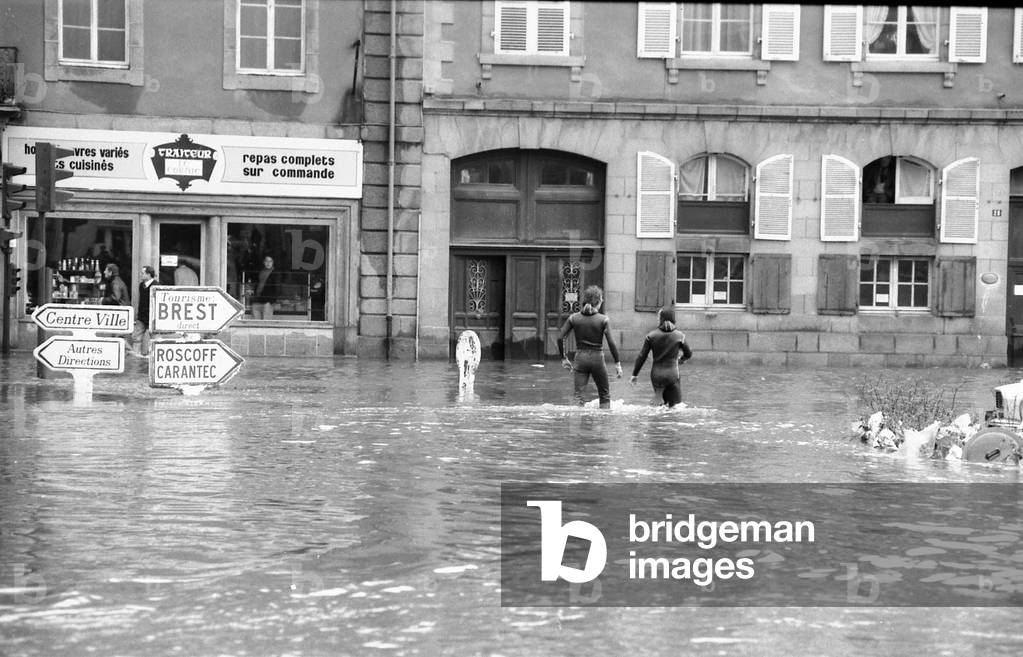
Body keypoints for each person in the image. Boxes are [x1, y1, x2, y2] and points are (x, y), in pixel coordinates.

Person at [556, 285, 623, 409]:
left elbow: (560, 338)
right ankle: (604, 425)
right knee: (604, 395)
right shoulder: (603, 320)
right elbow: (612, 343)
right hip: (597, 359)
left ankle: (577, 427)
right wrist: (617, 364)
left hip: (580, 359)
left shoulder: (573, 318)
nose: (602, 301)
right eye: (601, 299)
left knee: (578, 397)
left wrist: (564, 358)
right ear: (598, 302)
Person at [630, 307, 693, 408]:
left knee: (660, 407)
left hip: (656, 376)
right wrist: (682, 359)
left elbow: (642, 356)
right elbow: (689, 353)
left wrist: (635, 374)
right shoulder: (680, 336)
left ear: (663, 318)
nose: (657, 319)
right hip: (672, 375)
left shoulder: (651, 336)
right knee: (675, 407)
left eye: (659, 317)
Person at [129, 266, 156, 356]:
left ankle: (152, 357)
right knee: (136, 337)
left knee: (154, 338)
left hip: (152, 316)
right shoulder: (141, 285)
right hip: (142, 316)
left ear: (148, 274)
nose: (141, 274)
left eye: (143, 273)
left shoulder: (156, 285)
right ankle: (136, 357)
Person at [250, 255, 280, 319]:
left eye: (270, 261)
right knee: (256, 323)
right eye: (266, 261)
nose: (268, 263)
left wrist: (273, 301)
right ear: (264, 262)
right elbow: (257, 285)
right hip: (258, 300)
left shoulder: (275, 273)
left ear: (273, 262)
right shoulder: (260, 272)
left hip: (268, 301)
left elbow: (277, 288)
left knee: (266, 323)